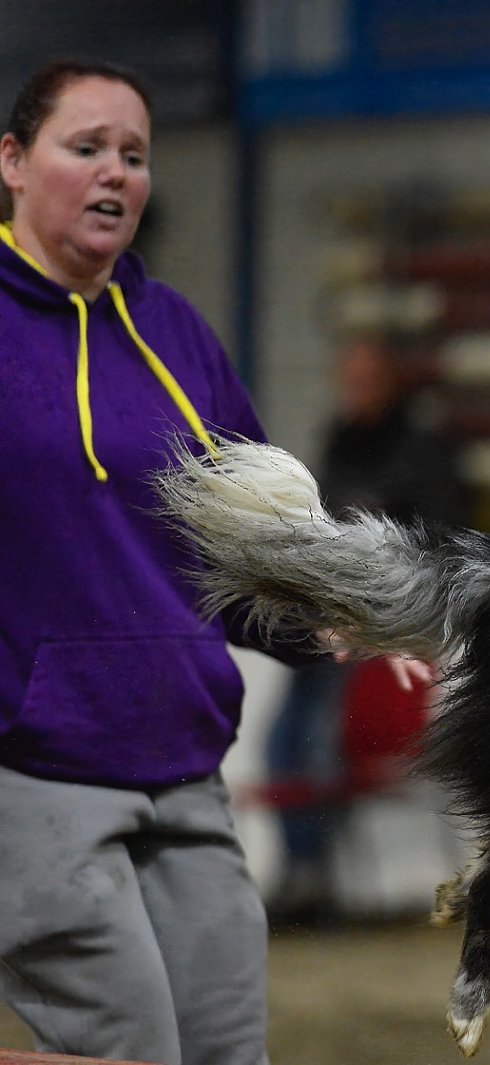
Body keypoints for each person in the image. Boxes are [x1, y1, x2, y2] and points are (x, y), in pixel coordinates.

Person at [0, 59, 425, 1065]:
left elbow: (244, 549)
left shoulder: (178, 336)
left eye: (134, 155)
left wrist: (337, 613)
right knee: (131, 1049)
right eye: (86, 147)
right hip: (33, 774)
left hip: (185, 764)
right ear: (12, 161)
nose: (116, 172)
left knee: (229, 1051)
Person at [263, 337, 464, 925]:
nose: (355, 391)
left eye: (366, 379)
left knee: (320, 741)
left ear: (390, 383)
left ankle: (315, 876)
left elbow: (436, 544)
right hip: (328, 626)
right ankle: (300, 871)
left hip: (382, 634)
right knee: (282, 741)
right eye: (349, 379)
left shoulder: (422, 452)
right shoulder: (338, 442)